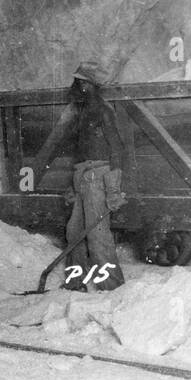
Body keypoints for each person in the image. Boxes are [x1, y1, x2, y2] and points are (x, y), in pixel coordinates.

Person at [62, 60, 126, 291]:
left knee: (98, 236)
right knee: (74, 233)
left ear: (88, 85)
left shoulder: (102, 110)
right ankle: (75, 282)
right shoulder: (81, 111)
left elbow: (116, 147)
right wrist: (73, 183)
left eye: (78, 82)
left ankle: (113, 287)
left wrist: (113, 188)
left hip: (97, 176)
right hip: (83, 176)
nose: (74, 86)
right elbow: (80, 151)